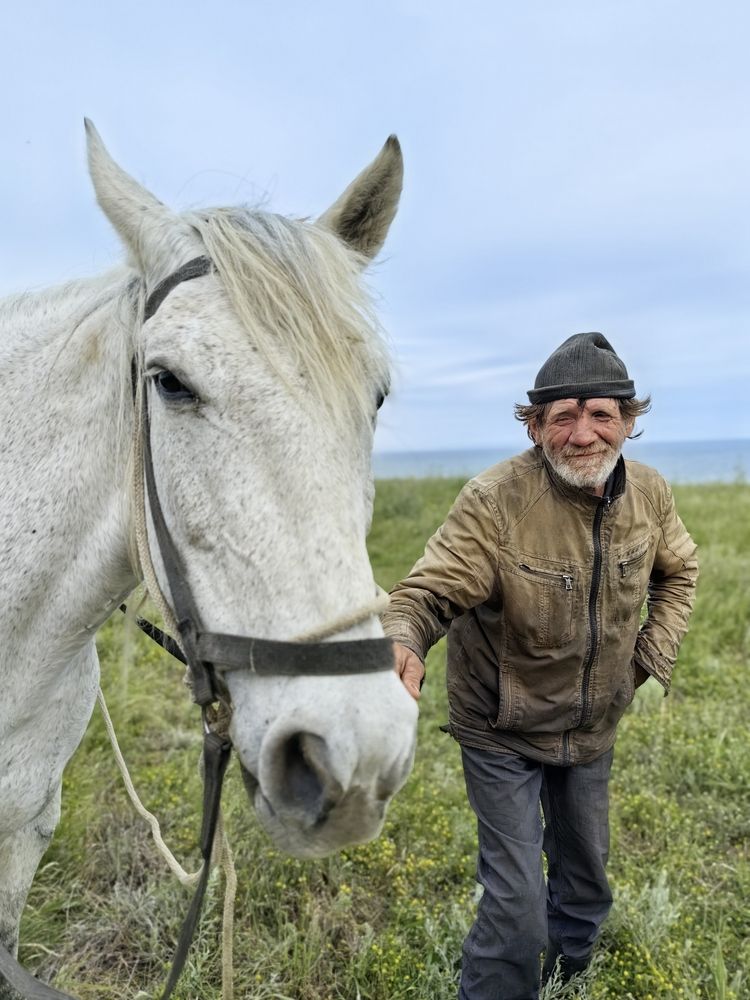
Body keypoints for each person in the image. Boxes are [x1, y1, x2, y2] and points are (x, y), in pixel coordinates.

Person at [381, 332, 698, 1000]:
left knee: (586, 884)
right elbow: (428, 594)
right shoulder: (495, 501)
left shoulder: (650, 494)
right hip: (501, 727)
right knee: (517, 905)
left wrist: (647, 659)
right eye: (563, 417)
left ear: (627, 421)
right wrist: (403, 640)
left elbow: (679, 572)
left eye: (601, 414)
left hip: (592, 726)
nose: (583, 434)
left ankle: (563, 980)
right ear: (534, 427)